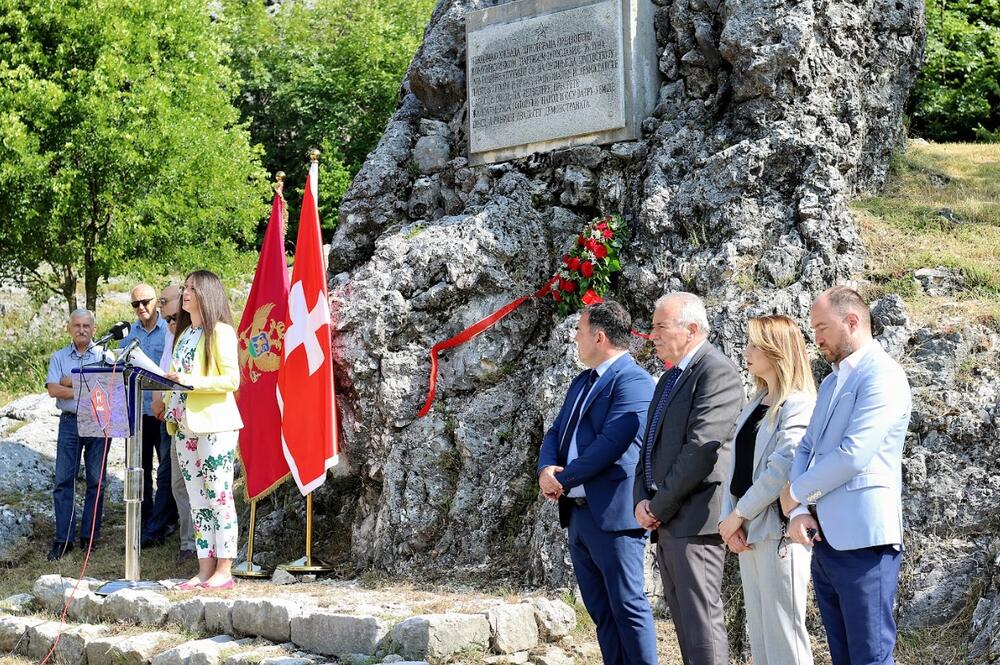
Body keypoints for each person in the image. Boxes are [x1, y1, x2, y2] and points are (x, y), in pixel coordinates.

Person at [780, 286, 911, 665]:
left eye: (821, 327)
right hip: (824, 540)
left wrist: (795, 490)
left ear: (852, 321)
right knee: (842, 656)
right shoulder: (831, 382)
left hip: (865, 542)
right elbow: (807, 447)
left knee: (870, 656)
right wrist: (798, 508)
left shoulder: (883, 375)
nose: (816, 338)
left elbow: (853, 455)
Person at [537, 301, 658, 665]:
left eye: (579, 331)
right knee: (602, 612)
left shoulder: (634, 380)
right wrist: (546, 469)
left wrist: (563, 478)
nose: (575, 338)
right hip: (579, 515)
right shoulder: (582, 381)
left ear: (599, 337)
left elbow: (611, 444)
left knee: (627, 607)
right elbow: (556, 431)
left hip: (614, 516)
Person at [634, 292, 745, 665]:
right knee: (684, 623)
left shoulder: (717, 371)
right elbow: (648, 445)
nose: (653, 335)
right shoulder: (669, 378)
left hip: (696, 517)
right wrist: (641, 498)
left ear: (692, 329)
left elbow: (701, 449)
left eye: (660, 327)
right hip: (667, 518)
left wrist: (659, 505)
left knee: (701, 624)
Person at [717, 315, 816, 665]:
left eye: (754, 344)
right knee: (760, 637)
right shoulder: (757, 400)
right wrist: (730, 521)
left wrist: (739, 514)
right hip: (746, 531)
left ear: (777, 351)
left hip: (777, 533)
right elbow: (735, 465)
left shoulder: (798, 402)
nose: (746, 351)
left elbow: (783, 468)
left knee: (785, 638)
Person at [164, 270, 243, 590]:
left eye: (192, 288)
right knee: (197, 499)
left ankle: (225, 569)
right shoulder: (184, 335)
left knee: (219, 495)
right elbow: (177, 376)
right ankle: (204, 568)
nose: (185, 292)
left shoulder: (220, 332)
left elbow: (231, 380)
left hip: (216, 425)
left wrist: (192, 383)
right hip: (185, 425)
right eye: (185, 287)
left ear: (207, 294)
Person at [45, 309, 109, 560]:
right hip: (70, 423)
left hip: (97, 422)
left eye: (86, 325)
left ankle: (89, 537)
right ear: (69, 328)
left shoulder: (105, 355)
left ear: (94, 329)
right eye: (77, 325)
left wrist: (71, 381)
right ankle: (64, 539)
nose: (81, 329)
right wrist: (88, 386)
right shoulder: (58, 357)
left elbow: (107, 389)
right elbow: (53, 389)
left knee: (96, 481)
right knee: (63, 480)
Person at [148, 285, 194, 560]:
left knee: (193, 484)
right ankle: (187, 542)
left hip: (195, 420)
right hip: (172, 419)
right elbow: (161, 371)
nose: (163, 310)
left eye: (165, 303)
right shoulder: (171, 335)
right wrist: (159, 399)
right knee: (174, 482)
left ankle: (201, 545)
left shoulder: (198, 335)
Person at [119, 283, 167, 533]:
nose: (140, 308)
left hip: (161, 412)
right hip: (137, 414)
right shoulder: (130, 336)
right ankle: (145, 522)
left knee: (165, 471)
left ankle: (163, 522)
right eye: (135, 304)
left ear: (156, 302)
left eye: (145, 302)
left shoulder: (168, 332)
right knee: (141, 468)